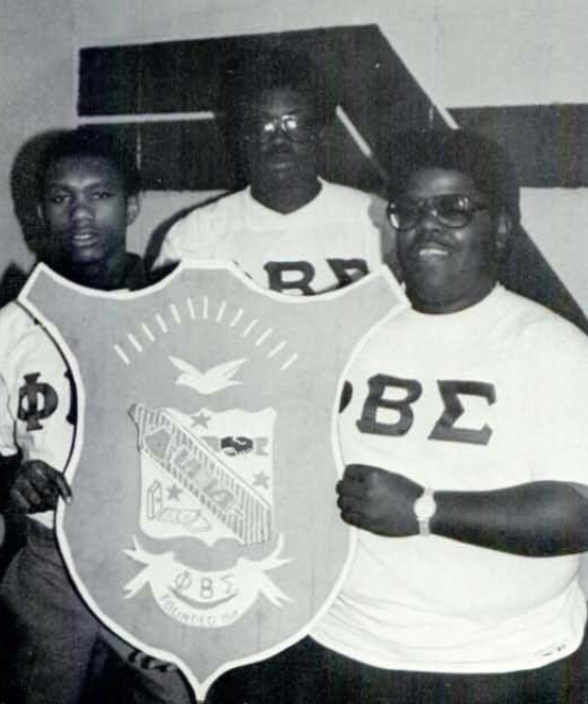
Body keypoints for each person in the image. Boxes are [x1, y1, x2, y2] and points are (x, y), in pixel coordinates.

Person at [208, 130, 588, 704]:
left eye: (453, 208)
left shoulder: (553, 347)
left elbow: (577, 512)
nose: (426, 226)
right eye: (408, 211)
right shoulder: (345, 328)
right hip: (338, 647)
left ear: (501, 229)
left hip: (501, 665)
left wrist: (425, 509)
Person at [0, 128, 192, 704]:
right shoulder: (13, 323)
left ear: (131, 205)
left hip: (158, 553)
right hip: (51, 559)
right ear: (39, 212)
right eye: (61, 197)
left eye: (99, 195)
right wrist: (13, 480)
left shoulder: (179, 309)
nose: (80, 213)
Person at [154, 48, 398, 291]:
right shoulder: (197, 235)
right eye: (261, 124)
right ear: (241, 134)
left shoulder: (375, 221)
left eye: (293, 122)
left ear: (321, 131)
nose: (279, 140)